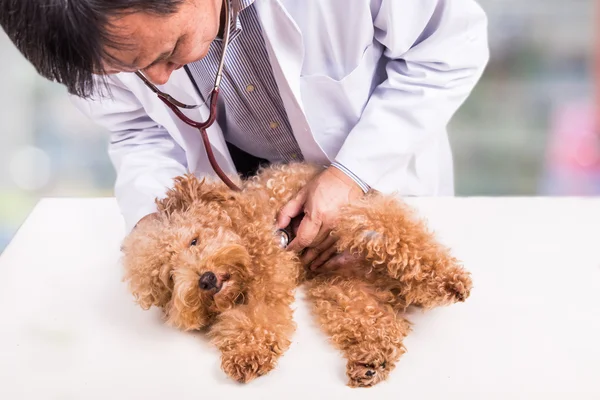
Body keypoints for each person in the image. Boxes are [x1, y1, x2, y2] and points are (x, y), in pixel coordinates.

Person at [0, 0, 489, 270]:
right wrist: (152, 220)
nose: (158, 80)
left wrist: (351, 175)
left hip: (377, 184)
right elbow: (135, 130)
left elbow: (449, 50)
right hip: (242, 210)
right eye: (130, 70)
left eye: (167, 50)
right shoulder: (102, 41)